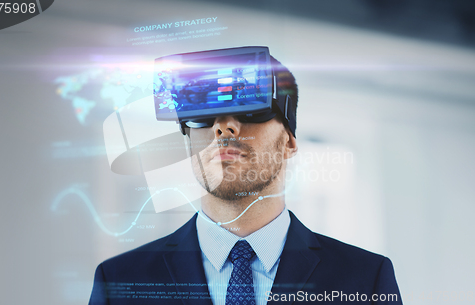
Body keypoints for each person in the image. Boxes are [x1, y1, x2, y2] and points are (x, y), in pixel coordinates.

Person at [89, 52, 403, 305]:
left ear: (289, 141)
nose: (223, 127)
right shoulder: (118, 283)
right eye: (203, 115)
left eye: (251, 111)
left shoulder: (366, 281)